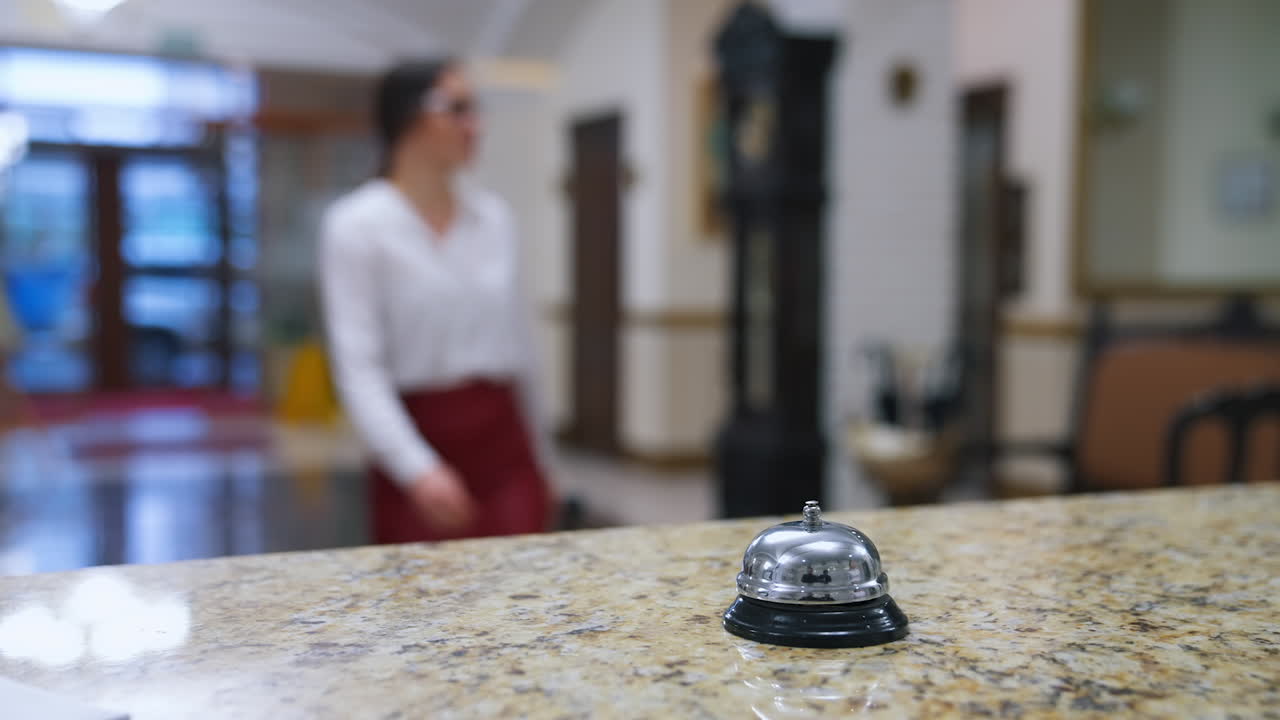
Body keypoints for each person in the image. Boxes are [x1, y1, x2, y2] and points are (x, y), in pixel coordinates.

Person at [319, 59, 552, 543]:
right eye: (458, 110)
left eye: (476, 110)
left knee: (525, 601)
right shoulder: (357, 225)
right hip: (419, 441)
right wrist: (416, 468)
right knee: (425, 605)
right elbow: (360, 368)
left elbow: (520, 341)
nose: (476, 126)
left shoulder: (493, 219)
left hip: (503, 441)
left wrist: (544, 454)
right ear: (408, 116)